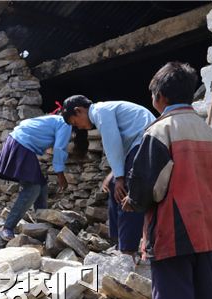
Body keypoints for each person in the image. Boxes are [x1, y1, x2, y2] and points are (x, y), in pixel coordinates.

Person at [122, 62, 212, 299]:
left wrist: (131, 201)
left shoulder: (159, 131)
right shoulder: (210, 134)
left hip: (172, 234)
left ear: (159, 97)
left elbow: (146, 191)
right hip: (206, 234)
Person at [61, 94, 155, 258]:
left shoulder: (101, 111)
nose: (80, 128)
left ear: (79, 111)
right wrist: (115, 174)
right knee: (113, 185)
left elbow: (113, 143)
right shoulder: (103, 112)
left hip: (147, 142)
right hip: (138, 144)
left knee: (125, 190)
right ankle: (118, 241)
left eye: (76, 123)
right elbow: (122, 146)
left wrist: (120, 177)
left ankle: (128, 248)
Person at [0, 112, 89, 241]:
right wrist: (60, 174)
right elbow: (59, 149)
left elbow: (26, 124)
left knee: (41, 186)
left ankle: (41, 226)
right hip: (22, 143)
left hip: (18, 141)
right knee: (32, 188)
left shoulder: (56, 120)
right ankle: (7, 227)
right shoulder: (66, 124)